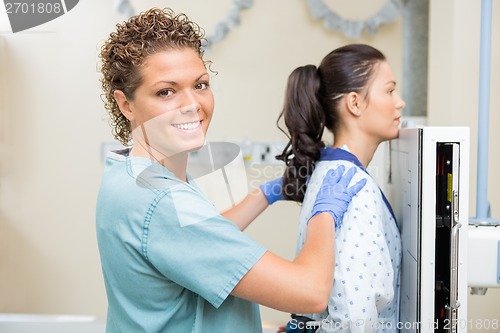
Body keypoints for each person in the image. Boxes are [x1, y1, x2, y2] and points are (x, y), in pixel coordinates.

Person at [95, 8, 366, 333]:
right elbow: (310, 293)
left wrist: (266, 193)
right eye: (166, 91)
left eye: (200, 84)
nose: (192, 104)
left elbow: (197, 240)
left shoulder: (128, 172)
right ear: (126, 104)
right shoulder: (161, 202)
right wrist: (324, 211)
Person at [276, 44, 405, 332]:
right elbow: (353, 320)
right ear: (355, 103)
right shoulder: (351, 184)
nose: (400, 102)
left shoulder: (329, 171)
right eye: (389, 90)